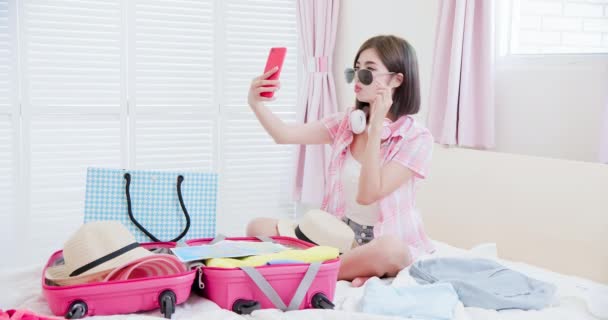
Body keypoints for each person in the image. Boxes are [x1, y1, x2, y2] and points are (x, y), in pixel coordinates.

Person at [245, 35, 435, 287]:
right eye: (354, 71)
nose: (357, 79)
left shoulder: (416, 138)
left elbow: (368, 195)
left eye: (368, 72)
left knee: (391, 250)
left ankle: (313, 272)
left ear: (397, 80)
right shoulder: (348, 123)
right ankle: (346, 267)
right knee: (257, 227)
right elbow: (285, 135)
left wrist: (376, 128)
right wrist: (255, 103)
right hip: (341, 235)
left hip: (383, 240)